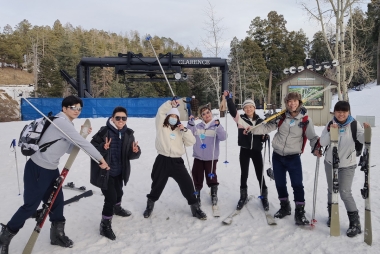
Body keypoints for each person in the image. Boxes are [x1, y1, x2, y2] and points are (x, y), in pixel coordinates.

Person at [0, 95, 109, 253]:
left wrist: (80, 136)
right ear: (64, 108)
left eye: (79, 108)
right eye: (73, 108)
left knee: (56, 202)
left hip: (51, 169)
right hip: (38, 169)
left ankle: (57, 235)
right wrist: (100, 159)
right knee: (30, 206)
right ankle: (6, 235)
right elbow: (81, 143)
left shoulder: (66, 124)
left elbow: (71, 149)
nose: (77, 111)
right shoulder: (60, 122)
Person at [248, 92, 321, 225]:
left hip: (293, 157)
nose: (291, 104)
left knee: (297, 184)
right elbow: (267, 127)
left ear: (299, 102)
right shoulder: (281, 117)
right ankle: (285, 206)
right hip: (277, 156)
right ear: (286, 103)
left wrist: (316, 148)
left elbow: (312, 137)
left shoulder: (305, 120)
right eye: (289, 101)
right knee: (280, 183)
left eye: (294, 101)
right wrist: (251, 129)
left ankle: (300, 212)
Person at [143, 99, 207, 220]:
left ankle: (195, 208)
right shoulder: (161, 127)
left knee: (187, 184)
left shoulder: (181, 130)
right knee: (157, 185)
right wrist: (169, 104)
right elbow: (160, 112)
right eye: (170, 116)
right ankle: (150, 204)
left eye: (175, 116)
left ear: (178, 119)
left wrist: (185, 130)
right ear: (167, 118)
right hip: (162, 160)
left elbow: (191, 142)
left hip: (177, 161)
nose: (173, 118)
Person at [90, 106, 141, 241]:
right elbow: (90, 148)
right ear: (112, 118)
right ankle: (104, 226)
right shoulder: (104, 132)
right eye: (118, 118)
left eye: (123, 118)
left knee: (119, 193)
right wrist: (102, 147)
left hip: (120, 171)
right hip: (105, 172)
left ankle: (117, 209)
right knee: (111, 197)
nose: (120, 120)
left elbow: (130, 155)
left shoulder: (128, 133)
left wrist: (135, 151)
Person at [319, 101, 370, 237]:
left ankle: (355, 224)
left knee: (344, 192)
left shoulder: (354, 124)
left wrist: (366, 132)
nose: (341, 114)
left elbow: (362, 138)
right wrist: (332, 132)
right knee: (331, 190)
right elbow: (322, 142)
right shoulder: (330, 124)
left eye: (344, 111)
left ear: (348, 112)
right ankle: (332, 216)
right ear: (334, 112)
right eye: (338, 111)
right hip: (330, 162)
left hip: (347, 164)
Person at [224, 91, 269, 211]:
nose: (248, 109)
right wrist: (228, 99)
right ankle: (243, 196)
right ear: (243, 109)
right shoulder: (241, 120)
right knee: (244, 174)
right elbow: (233, 111)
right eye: (246, 107)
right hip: (244, 150)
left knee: (260, 174)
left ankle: (264, 196)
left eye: (250, 107)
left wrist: (264, 137)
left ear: (254, 108)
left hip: (256, 151)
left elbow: (262, 134)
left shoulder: (260, 121)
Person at [187, 104, 227, 206]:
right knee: (197, 176)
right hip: (198, 157)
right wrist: (190, 124)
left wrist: (218, 127)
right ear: (201, 117)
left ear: (211, 113)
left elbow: (223, 137)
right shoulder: (197, 127)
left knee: (211, 175)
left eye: (208, 112)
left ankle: (214, 194)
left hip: (211, 157)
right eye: (203, 114)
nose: (206, 115)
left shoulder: (216, 125)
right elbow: (188, 135)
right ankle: (197, 194)